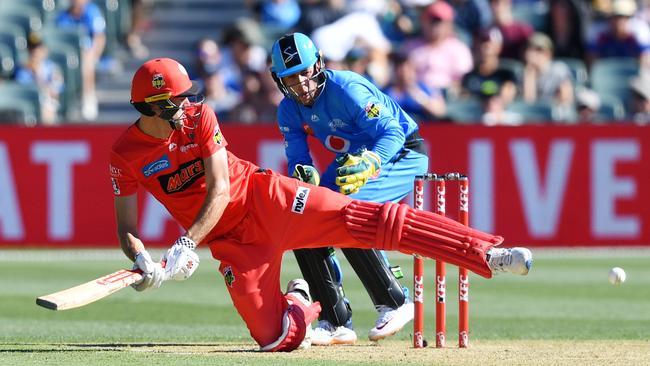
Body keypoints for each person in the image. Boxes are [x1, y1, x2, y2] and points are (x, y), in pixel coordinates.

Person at [110, 57, 534, 353]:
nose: (187, 106)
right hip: (233, 243)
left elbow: (220, 189)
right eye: (176, 102)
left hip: (265, 197)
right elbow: (126, 228)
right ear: (150, 107)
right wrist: (145, 261)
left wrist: (185, 244)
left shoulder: (201, 117)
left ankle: (487, 254)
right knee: (273, 339)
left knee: (366, 220)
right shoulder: (125, 155)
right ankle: (302, 300)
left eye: (188, 97)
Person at [271, 32, 427, 346]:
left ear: (318, 64)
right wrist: (305, 174)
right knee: (304, 214)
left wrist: (372, 161)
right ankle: (335, 320)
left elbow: (392, 131)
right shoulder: (288, 110)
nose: (301, 84)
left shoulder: (347, 89)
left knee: (347, 212)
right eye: (291, 77)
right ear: (279, 79)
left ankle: (396, 302)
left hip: (401, 153)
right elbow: (299, 159)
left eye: (304, 72)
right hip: (352, 160)